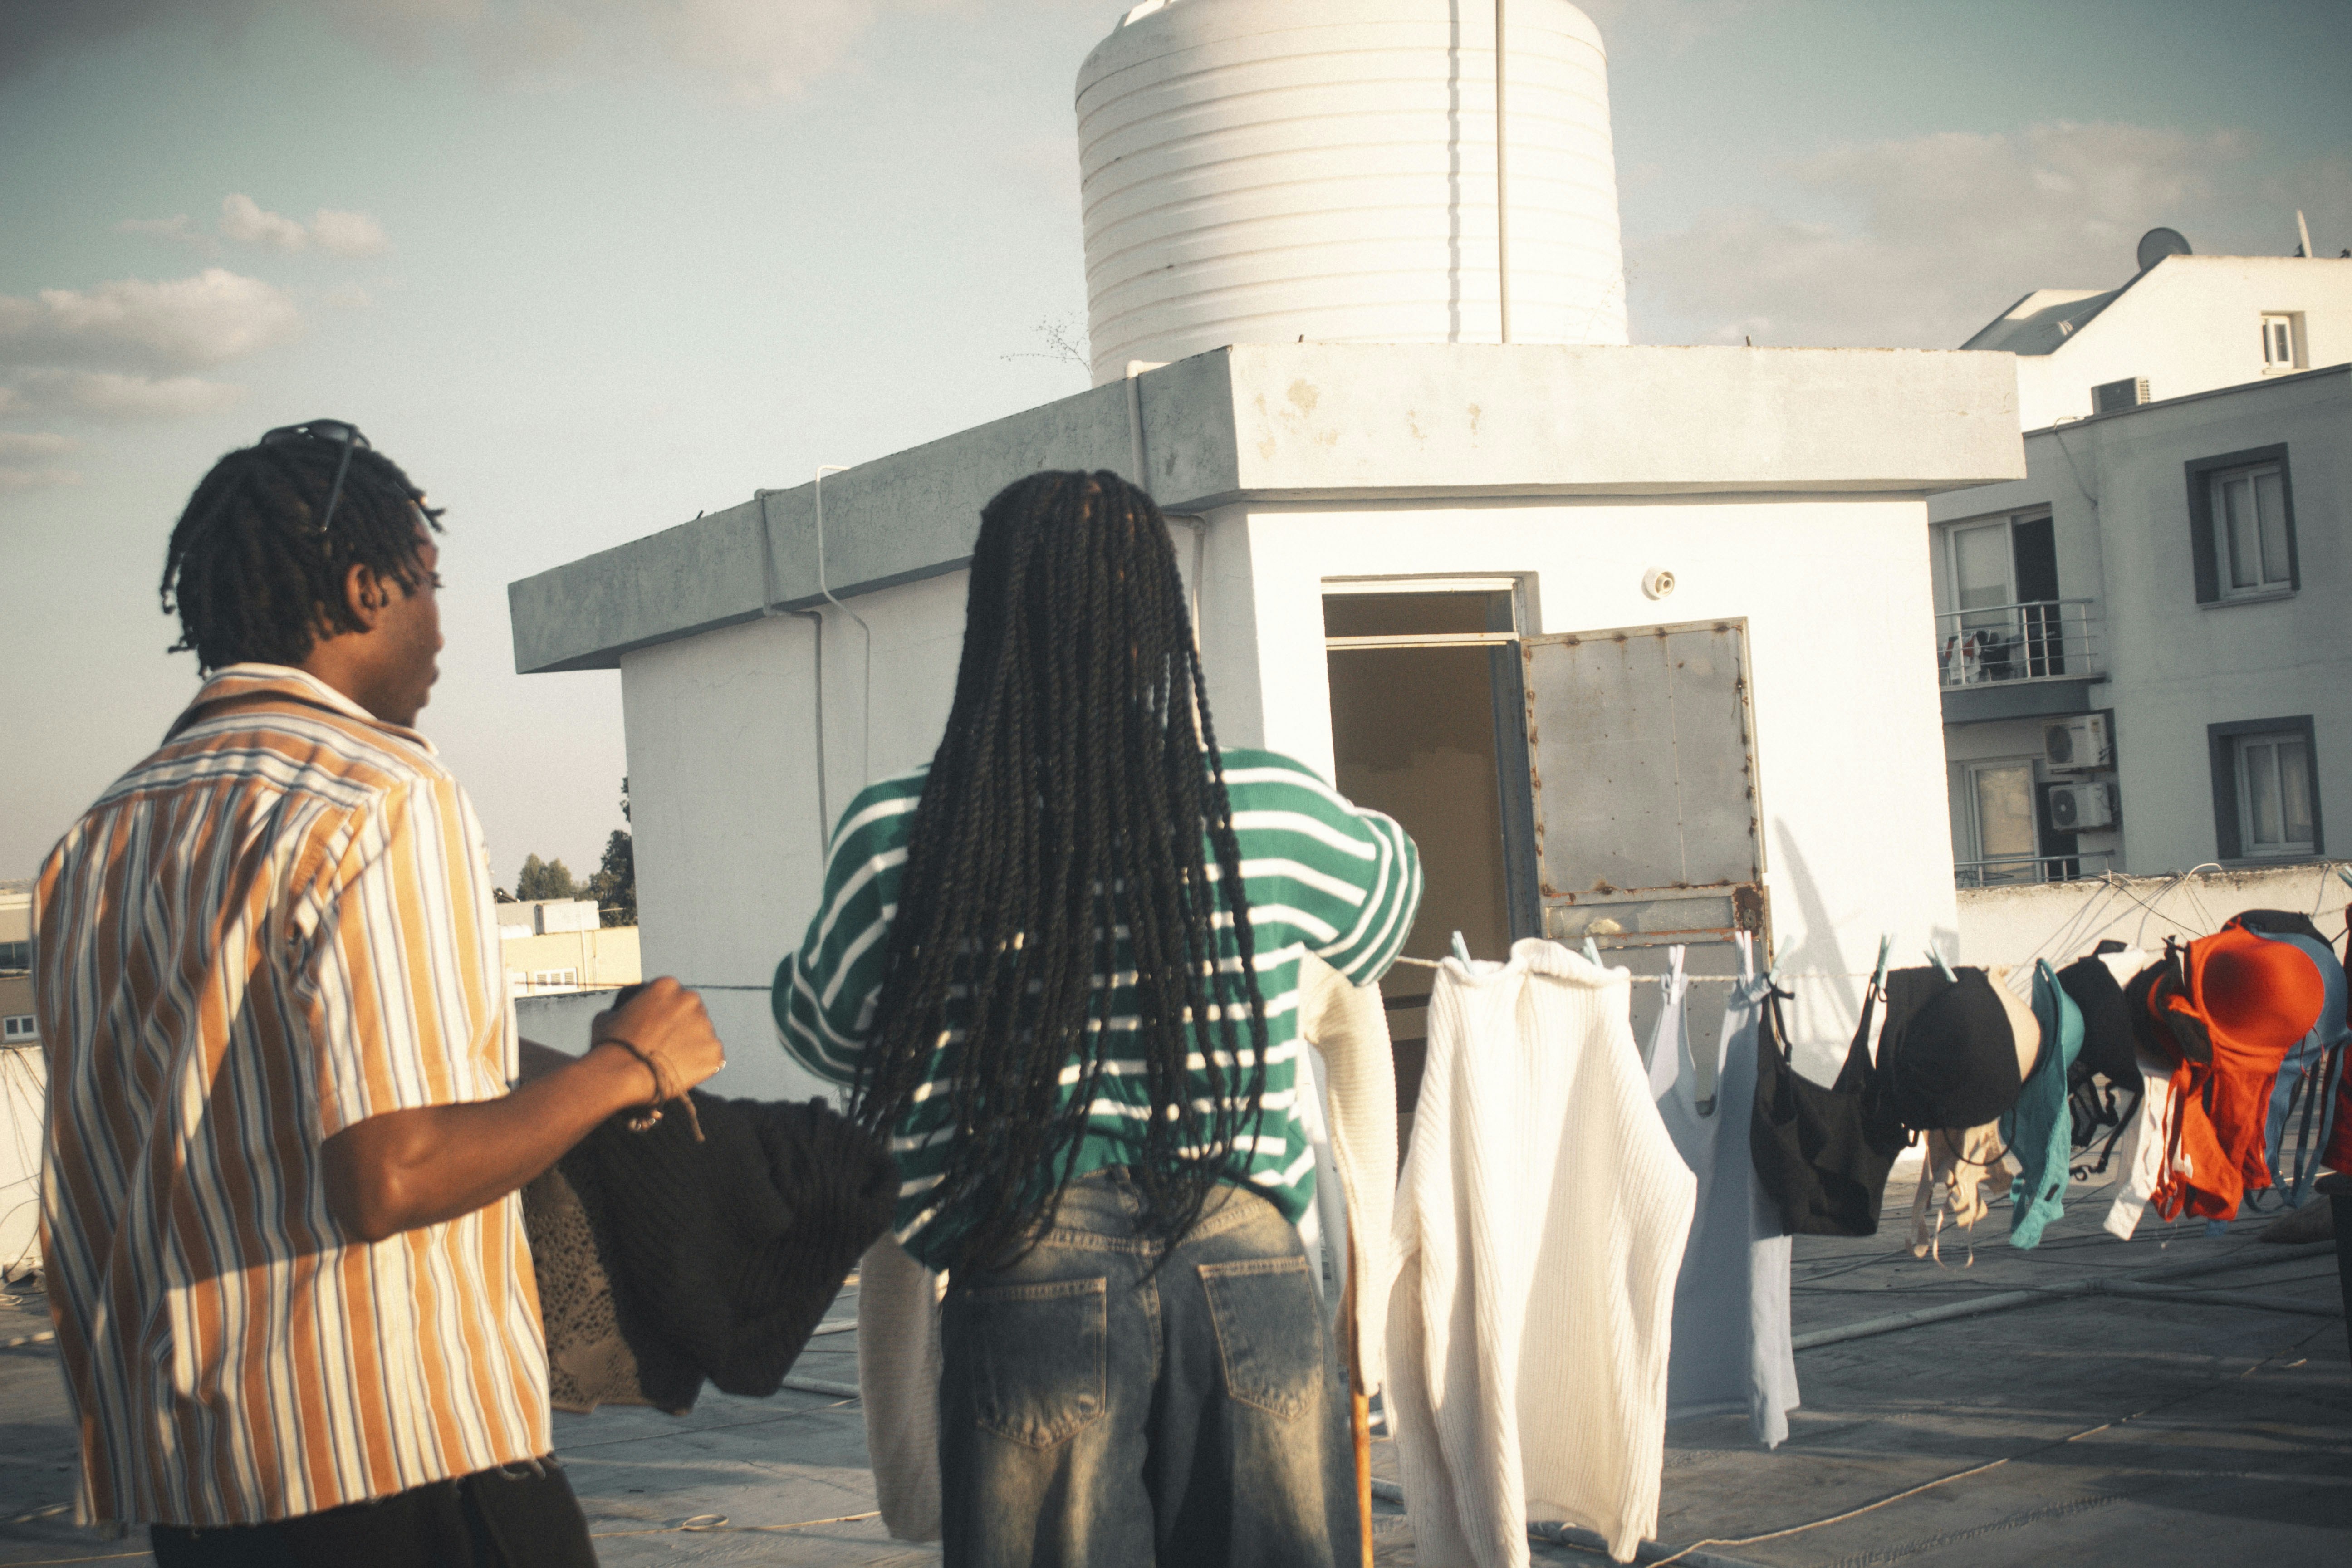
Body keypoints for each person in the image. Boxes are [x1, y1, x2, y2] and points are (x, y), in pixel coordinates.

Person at [32, 421, 727, 1567]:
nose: (442, 629)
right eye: (431, 587)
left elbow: (253, 1095)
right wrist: (625, 1067)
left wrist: (570, 1087)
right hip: (399, 1471)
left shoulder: (95, 843)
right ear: (366, 590)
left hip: (196, 1488)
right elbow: (386, 1172)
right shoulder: (377, 795)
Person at [774, 470, 1422, 1567]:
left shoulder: (901, 834)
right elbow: (1387, 901)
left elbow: (827, 1032)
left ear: (994, 623)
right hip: (1247, 1258)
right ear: (1160, 626)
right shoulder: (1260, 806)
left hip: (1026, 1261)